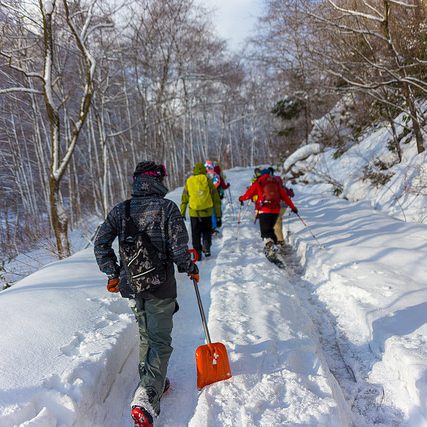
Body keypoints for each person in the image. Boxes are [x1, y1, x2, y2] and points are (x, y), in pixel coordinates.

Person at [94, 161, 199, 427]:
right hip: (160, 285)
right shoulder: (167, 209)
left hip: (131, 286)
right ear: (157, 180)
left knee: (145, 336)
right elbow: (178, 249)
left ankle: (154, 382)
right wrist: (190, 267)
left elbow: (100, 243)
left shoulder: (121, 210)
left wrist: (113, 274)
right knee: (160, 341)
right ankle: (146, 397)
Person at [238, 168, 298, 262]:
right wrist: (293, 208)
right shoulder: (276, 183)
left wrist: (241, 198)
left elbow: (248, 194)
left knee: (266, 232)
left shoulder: (258, 182)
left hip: (264, 210)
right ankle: (273, 246)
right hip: (275, 211)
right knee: (271, 229)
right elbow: (285, 197)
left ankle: (270, 249)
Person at [180, 162, 221, 259]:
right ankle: (206, 248)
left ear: (194, 171)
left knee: (196, 234)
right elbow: (216, 199)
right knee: (206, 232)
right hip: (207, 213)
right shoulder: (208, 181)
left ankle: (197, 254)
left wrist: (182, 213)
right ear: (204, 170)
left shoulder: (189, 181)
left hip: (194, 213)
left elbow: (184, 199)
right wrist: (218, 215)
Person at [267, 166, 295, 251]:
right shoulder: (278, 180)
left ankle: (280, 241)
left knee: (276, 221)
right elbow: (289, 193)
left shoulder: (271, 181)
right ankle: (279, 239)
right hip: (283, 204)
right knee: (278, 220)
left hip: (279, 204)